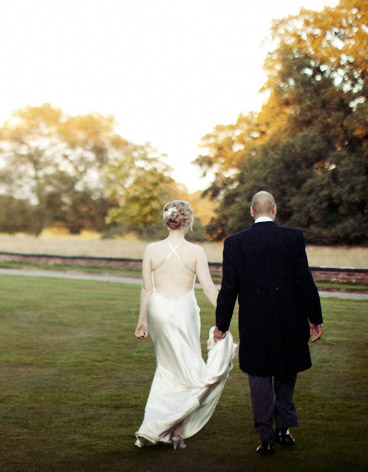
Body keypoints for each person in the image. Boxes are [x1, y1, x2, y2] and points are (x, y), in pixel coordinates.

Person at [213, 190, 323, 456]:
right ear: (274, 209)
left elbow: (229, 288)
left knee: (259, 377)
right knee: (286, 372)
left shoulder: (234, 243)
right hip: (290, 319)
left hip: (255, 322)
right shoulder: (293, 238)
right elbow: (305, 281)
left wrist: (221, 325)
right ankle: (284, 429)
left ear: (252, 211)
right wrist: (315, 318)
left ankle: (266, 437)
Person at [134, 200, 237, 449]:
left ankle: (156, 429)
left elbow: (147, 289)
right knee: (190, 370)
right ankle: (173, 430)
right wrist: (225, 314)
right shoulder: (195, 251)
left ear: (167, 220)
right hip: (184, 311)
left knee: (168, 368)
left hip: (158, 310)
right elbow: (209, 288)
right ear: (187, 221)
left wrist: (142, 321)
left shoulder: (151, 249)